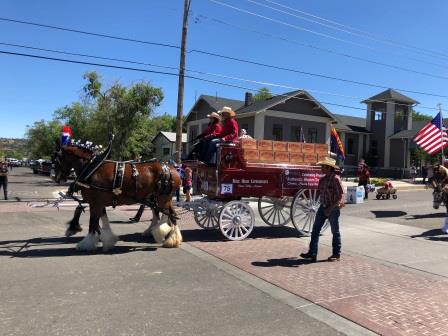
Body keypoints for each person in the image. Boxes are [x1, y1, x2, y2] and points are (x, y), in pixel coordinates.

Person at [300, 157, 345, 262]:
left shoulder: (336, 179)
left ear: (329, 168)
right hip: (323, 207)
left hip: (333, 208)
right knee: (315, 230)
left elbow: (340, 196)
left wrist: (330, 208)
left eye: (323, 166)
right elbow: (319, 194)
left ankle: (336, 254)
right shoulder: (323, 179)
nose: (321, 168)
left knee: (335, 231)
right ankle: (312, 253)